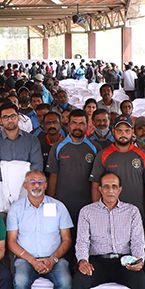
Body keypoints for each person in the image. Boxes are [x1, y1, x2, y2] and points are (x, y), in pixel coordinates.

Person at [7, 170, 73, 289]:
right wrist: (32, 260)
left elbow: (67, 239)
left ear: (46, 185)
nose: (36, 185)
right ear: (25, 185)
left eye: (40, 182)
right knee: (20, 281)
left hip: (54, 258)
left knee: (66, 282)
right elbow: (11, 242)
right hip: (26, 259)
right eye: (32, 182)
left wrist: (53, 259)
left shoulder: (58, 207)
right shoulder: (16, 209)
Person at [46, 109, 96, 263]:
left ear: (87, 125)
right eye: (74, 123)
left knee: (84, 248)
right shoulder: (58, 147)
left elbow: (97, 182)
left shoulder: (94, 148)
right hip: (63, 208)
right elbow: (53, 178)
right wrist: (50, 207)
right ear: (68, 125)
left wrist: (96, 208)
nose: (78, 127)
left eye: (82, 123)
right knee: (64, 247)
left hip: (87, 209)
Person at [0, 101, 44, 214]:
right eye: (5, 117)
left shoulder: (32, 140)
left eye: (13, 116)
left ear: (18, 117)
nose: (10, 120)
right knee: (2, 224)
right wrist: (19, 175)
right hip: (2, 194)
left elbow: (37, 168)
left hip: (28, 190)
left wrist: (9, 174)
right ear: (0, 120)